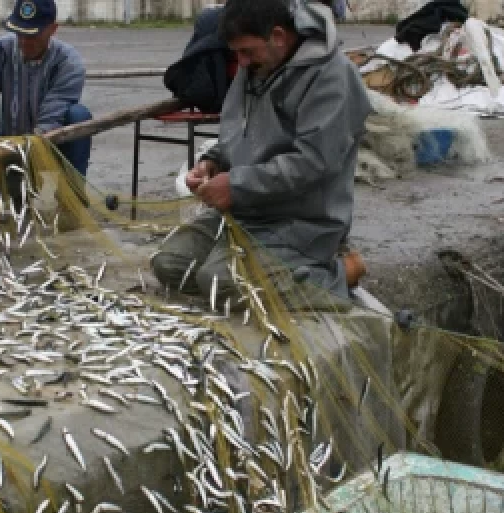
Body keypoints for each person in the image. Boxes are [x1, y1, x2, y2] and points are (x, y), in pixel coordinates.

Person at [151, 0, 371, 311]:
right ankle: (271, 274)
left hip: (301, 219)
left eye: (247, 52)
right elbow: (236, 133)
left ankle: (339, 274)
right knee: (170, 264)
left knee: (220, 284)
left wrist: (236, 186)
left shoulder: (332, 76)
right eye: (236, 53)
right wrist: (212, 162)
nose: (240, 63)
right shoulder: (258, 64)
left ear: (278, 36)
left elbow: (313, 163)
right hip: (246, 209)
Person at [0, 0, 92, 177]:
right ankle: (7, 194)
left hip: (51, 144)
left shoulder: (68, 62)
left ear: (52, 29)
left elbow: (49, 120)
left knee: (78, 116)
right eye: (20, 33)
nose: (25, 42)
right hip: (10, 138)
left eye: (33, 36)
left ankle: (74, 195)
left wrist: (19, 150)